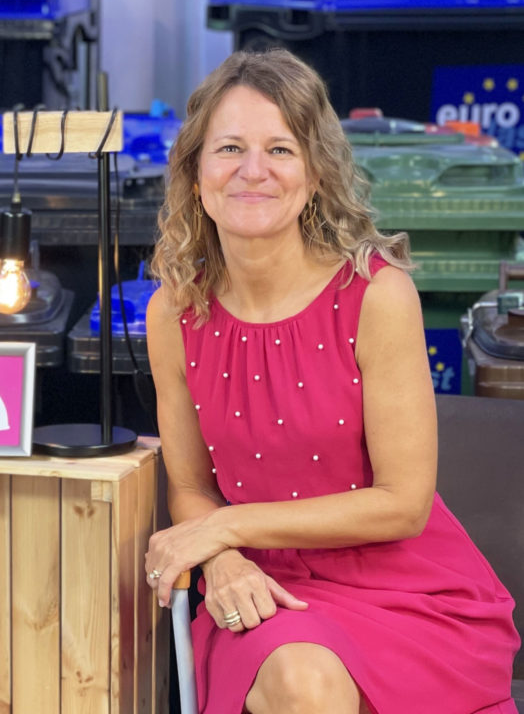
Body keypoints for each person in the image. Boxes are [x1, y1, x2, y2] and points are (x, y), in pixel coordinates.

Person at [143, 48, 519, 713]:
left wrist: (225, 528)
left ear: (314, 174)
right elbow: (191, 487)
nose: (252, 170)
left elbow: (404, 503)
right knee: (302, 681)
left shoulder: (377, 295)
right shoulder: (173, 312)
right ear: (195, 174)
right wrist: (224, 560)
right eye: (229, 148)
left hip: (403, 589)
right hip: (265, 586)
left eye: (280, 149)